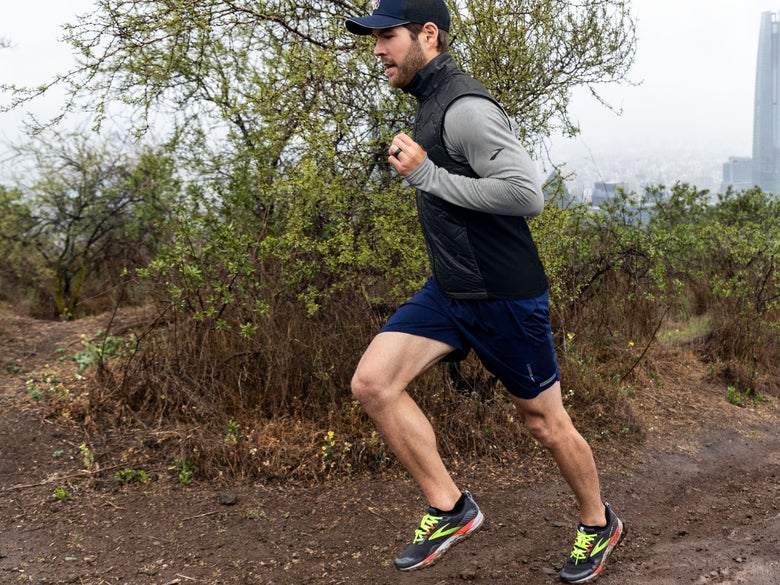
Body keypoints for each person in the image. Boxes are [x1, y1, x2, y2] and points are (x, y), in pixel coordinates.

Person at [344, 0, 624, 582]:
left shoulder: (465, 107)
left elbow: (526, 196)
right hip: (451, 289)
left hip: (503, 293)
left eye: (386, 37)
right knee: (373, 384)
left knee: (544, 422)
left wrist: (427, 176)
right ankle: (450, 507)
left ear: (428, 35)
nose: (377, 50)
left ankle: (598, 523)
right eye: (374, 39)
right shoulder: (427, 103)